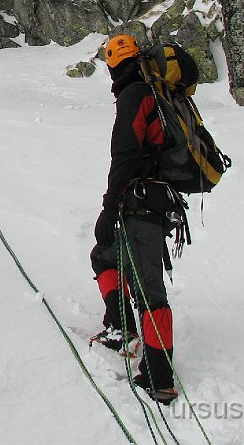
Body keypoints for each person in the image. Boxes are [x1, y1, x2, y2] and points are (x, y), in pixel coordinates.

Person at [90, 34, 179, 405]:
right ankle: (120, 327)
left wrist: (109, 207)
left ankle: (161, 379)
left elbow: (126, 154)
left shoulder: (134, 95)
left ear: (114, 66)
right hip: (154, 201)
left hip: (139, 204)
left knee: (148, 290)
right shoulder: (156, 93)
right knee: (105, 257)